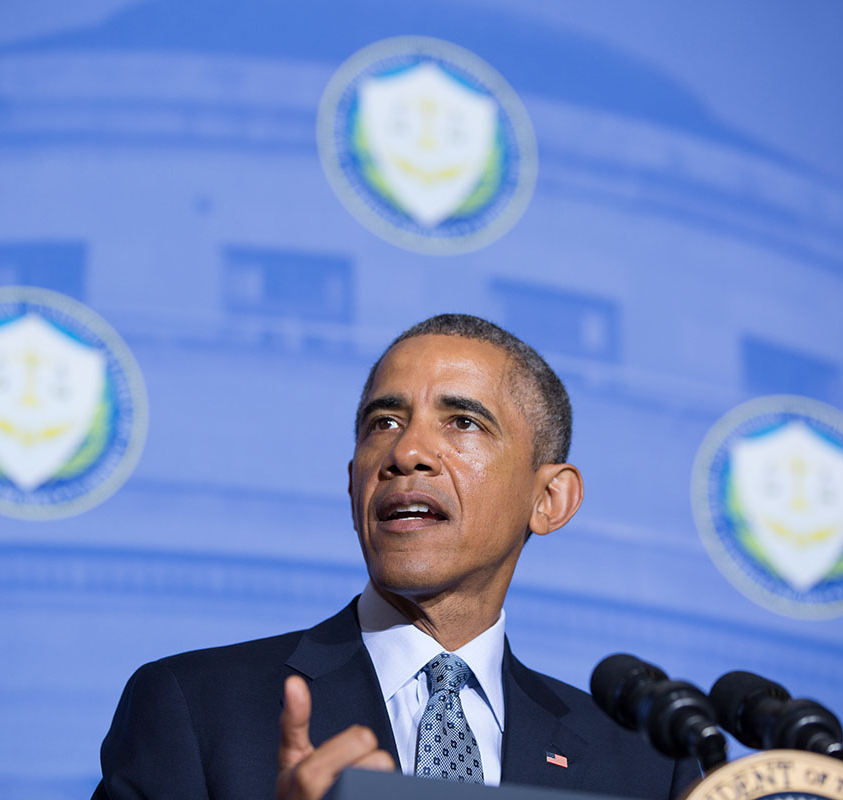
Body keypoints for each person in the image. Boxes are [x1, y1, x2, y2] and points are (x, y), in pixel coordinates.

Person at [93, 314, 700, 799]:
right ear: (353, 482)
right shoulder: (192, 708)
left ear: (549, 499)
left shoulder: (645, 766)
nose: (407, 451)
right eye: (383, 422)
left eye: (463, 422)